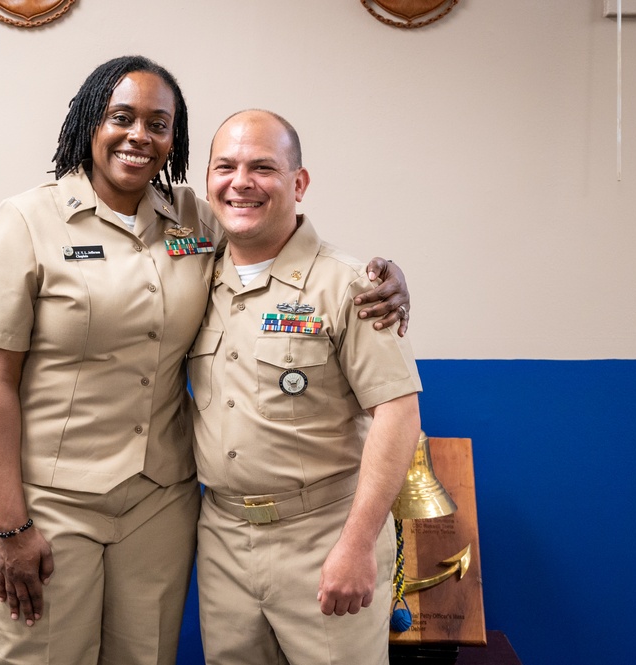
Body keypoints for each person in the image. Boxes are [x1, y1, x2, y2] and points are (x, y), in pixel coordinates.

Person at [0, 56, 411, 665]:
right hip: (49, 501)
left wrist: (384, 276)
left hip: (156, 502)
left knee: (145, 657)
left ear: (175, 139)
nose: (140, 136)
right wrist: (10, 525)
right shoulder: (28, 222)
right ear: (90, 121)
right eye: (122, 117)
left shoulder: (192, 219)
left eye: (159, 124)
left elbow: (276, 236)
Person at [188, 109, 423, 665]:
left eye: (263, 167)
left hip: (324, 535)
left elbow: (398, 414)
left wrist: (358, 544)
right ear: (208, 180)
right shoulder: (194, 270)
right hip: (222, 536)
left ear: (299, 182)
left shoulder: (352, 286)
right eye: (226, 166)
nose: (241, 181)